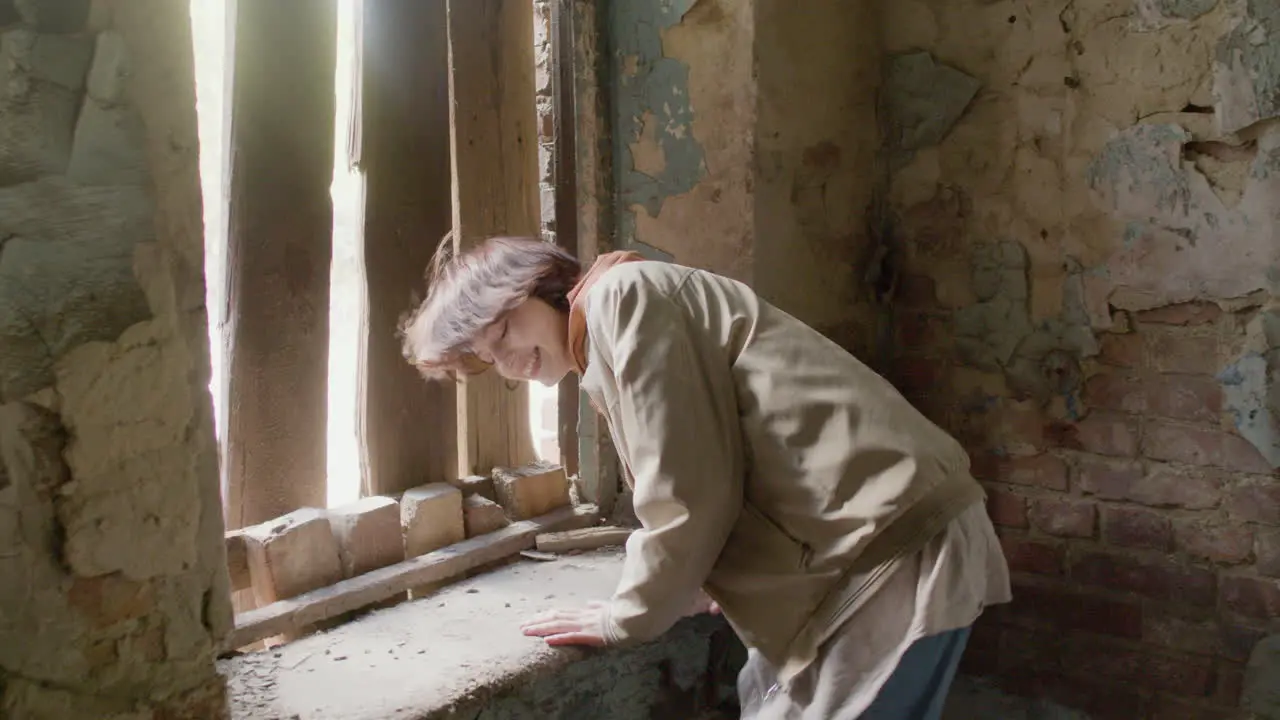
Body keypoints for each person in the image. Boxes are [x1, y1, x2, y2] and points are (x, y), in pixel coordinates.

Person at [400, 236, 1011, 719]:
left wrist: (629, 615)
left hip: (891, 556)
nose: (505, 362)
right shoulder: (612, 326)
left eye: (503, 331)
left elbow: (689, 491)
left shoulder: (622, 298)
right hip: (875, 549)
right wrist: (701, 574)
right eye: (486, 356)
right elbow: (730, 458)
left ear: (542, 287)